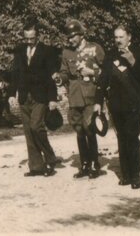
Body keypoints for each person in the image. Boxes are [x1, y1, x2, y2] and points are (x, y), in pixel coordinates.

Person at [95, 25, 140, 189]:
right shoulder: (110, 55)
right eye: (115, 37)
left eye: (121, 37)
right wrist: (97, 102)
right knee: (122, 138)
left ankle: (136, 176)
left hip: (134, 104)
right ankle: (126, 175)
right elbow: (103, 80)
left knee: (132, 138)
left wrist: (132, 61)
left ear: (129, 37)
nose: (118, 40)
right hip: (116, 105)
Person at [55, 19, 105, 179]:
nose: (70, 40)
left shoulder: (95, 48)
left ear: (81, 34)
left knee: (89, 128)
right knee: (79, 130)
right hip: (75, 96)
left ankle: (94, 164)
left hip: (91, 94)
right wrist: (59, 79)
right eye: (68, 37)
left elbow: (106, 72)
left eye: (72, 37)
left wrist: (92, 72)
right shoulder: (66, 52)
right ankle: (84, 164)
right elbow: (64, 72)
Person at [8, 22, 59, 177]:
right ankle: (36, 166)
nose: (29, 41)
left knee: (36, 126)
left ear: (38, 36)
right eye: (27, 38)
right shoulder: (19, 51)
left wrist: (52, 98)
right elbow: (15, 74)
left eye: (32, 38)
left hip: (40, 96)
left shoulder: (47, 51)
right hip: (24, 96)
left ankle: (50, 158)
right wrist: (11, 94)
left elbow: (52, 76)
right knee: (28, 131)